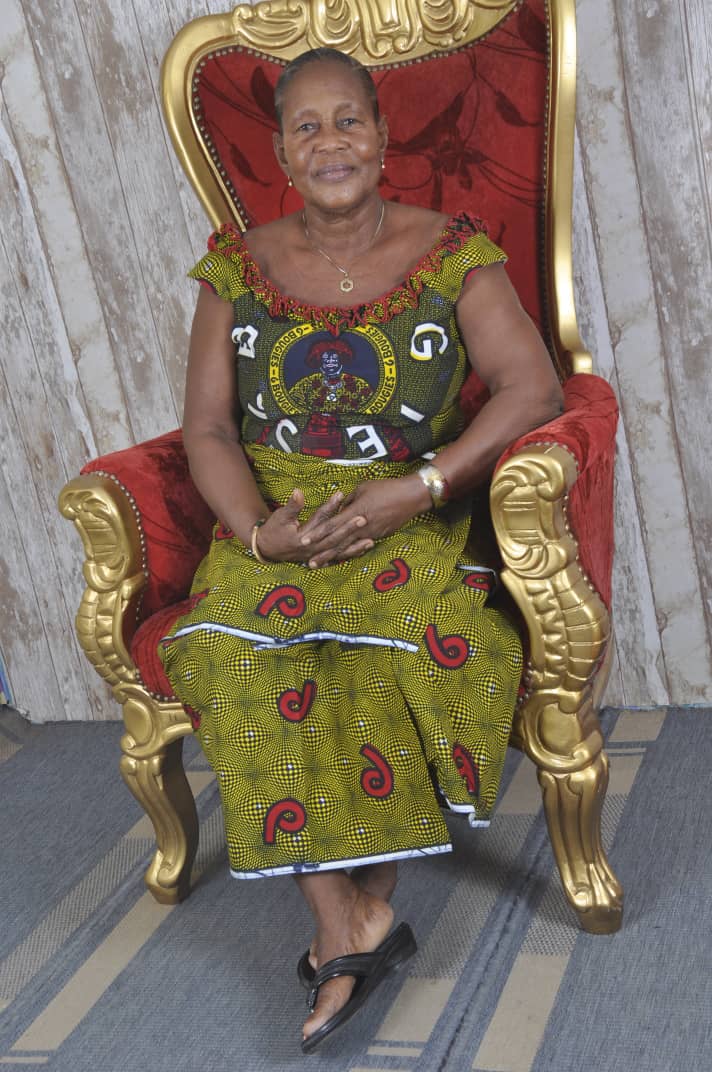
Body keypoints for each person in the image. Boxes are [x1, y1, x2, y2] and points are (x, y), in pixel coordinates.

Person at [159, 46, 563, 1053]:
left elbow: (533, 388)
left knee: (385, 652)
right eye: (307, 126)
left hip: (412, 515)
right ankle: (346, 920)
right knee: (236, 653)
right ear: (281, 154)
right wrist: (259, 533)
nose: (330, 141)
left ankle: (351, 924)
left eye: (348, 120)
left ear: (383, 139)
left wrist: (419, 489)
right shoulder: (235, 268)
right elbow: (205, 429)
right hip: (277, 524)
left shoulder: (452, 254)